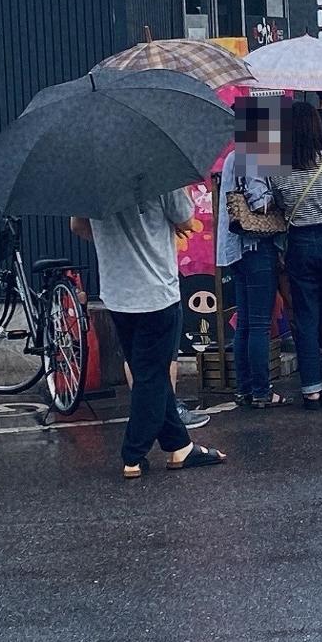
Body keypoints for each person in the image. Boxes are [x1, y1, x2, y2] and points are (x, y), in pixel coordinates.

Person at [72, 190, 226, 480]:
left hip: (117, 293)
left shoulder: (94, 180)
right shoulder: (161, 176)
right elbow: (186, 218)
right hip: (157, 292)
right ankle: (133, 453)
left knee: (146, 371)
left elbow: (78, 227)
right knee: (152, 378)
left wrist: (113, 242)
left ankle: (179, 446)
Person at [269, 99, 322, 408]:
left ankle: (311, 390)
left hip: (299, 244)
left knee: (305, 317)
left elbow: (279, 204)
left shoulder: (278, 165)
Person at [217, 98, 286, 408]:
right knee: (258, 323)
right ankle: (261, 391)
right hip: (257, 246)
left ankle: (245, 388)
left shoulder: (234, 156)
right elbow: (260, 203)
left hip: (236, 250)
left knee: (245, 322)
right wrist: (281, 195)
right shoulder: (257, 155)